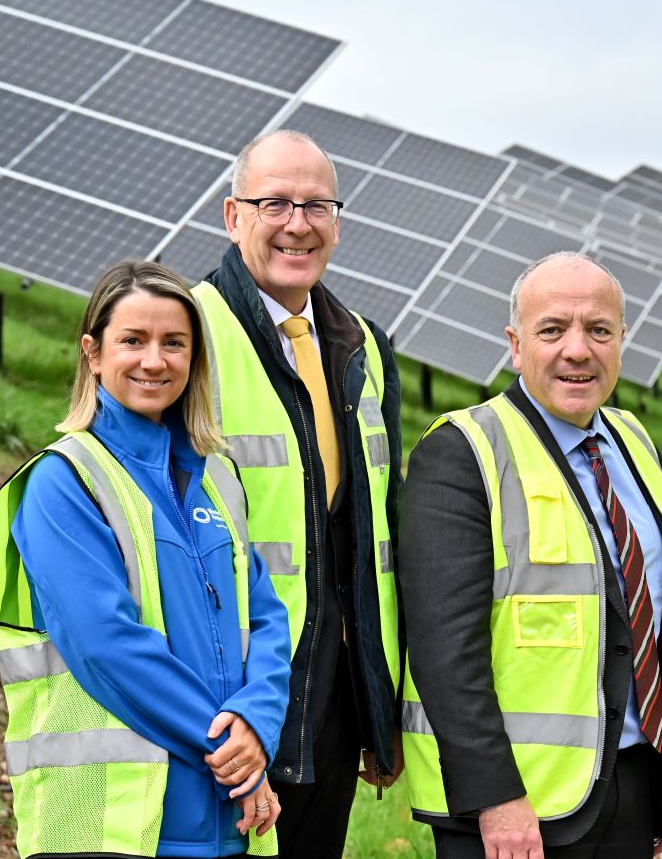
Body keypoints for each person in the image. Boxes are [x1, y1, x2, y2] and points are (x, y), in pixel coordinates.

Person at [398, 252, 662, 858]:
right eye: (552, 329)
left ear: (621, 341)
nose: (577, 350)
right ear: (515, 344)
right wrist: (496, 799)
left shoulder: (634, 442)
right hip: (517, 810)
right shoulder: (464, 450)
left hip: (630, 781)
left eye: (599, 330)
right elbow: (443, 650)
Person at [0, 261, 292, 857]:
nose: (155, 361)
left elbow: (266, 617)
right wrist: (236, 758)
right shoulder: (63, 483)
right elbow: (106, 643)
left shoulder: (217, 480)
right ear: (92, 354)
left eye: (174, 343)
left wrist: (258, 719)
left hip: (226, 821)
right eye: (133, 340)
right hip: (116, 824)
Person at [190, 130, 403, 857]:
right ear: (232, 216)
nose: (298, 223)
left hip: (332, 697)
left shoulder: (364, 346)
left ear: (337, 223)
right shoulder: (188, 331)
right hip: (230, 692)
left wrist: (378, 704)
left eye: (317, 205)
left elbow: (374, 534)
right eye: (274, 202)